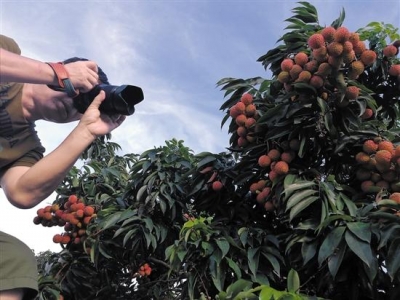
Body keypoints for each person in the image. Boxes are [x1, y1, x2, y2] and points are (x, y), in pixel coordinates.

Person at [0, 34, 126, 300]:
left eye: (84, 106)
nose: (74, 105)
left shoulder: (27, 148)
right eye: (79, 92)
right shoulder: (9, 55)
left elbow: (23, 194)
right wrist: (56, 73)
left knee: (13, 258)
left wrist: (87, 130)